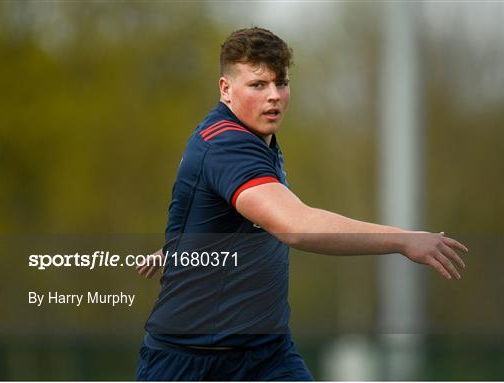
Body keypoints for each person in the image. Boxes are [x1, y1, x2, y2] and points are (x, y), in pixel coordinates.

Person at [135, 27, 468, 381]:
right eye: (258, 85)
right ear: (225, 89)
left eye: (281, 83)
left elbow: (225, 216)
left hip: (267, 356)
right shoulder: (227, 145)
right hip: (192, 362)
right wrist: (403, 239)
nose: (274, 96)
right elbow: (296, 226)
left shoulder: (259, 142)